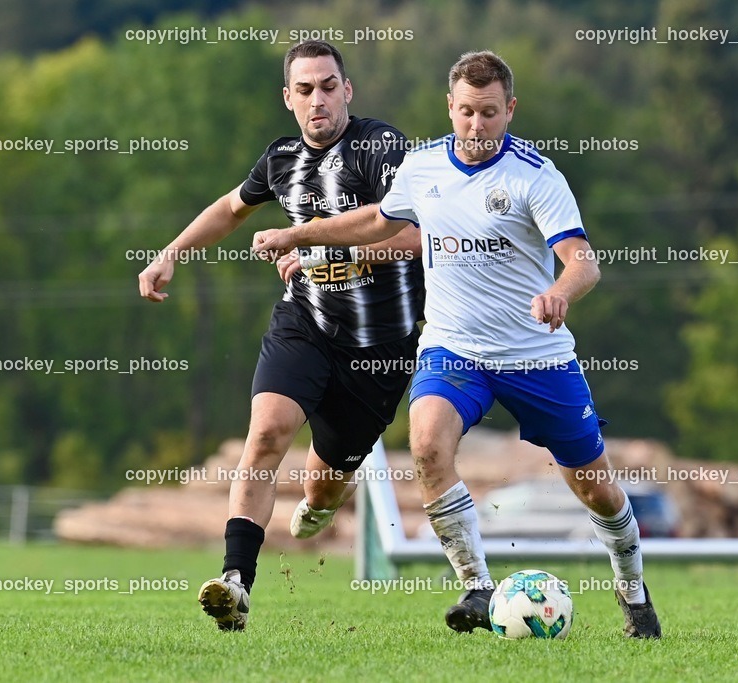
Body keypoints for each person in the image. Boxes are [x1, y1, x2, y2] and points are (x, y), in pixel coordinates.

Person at [252, 50, 662, 639]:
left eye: (489, 113)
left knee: (595, 489)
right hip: (453, 349)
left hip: (535, 356)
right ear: (450, 107)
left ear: (510, 109)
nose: (476, 125)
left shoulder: (536, 176)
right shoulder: (423, 168)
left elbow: (583, 262)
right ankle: (477, 586)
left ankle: (633, 590)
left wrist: (559, 292)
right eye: (467, 112)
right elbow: (378, 221)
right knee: (426, 446)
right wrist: (300, 234)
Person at [137, 40, 423, 632]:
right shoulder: (280, 158)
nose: (318, 100)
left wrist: (313, 245)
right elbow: (230, 208)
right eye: (305, 89)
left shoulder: (381, 147)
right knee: (266, 434)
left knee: (323, 489)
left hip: (380, 351)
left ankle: (320, 503)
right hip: (305, 325)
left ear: (347, 91)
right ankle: (235, 582)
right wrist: (171, 253)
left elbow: (414, 237)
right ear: (288, 98)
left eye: (328, 87)